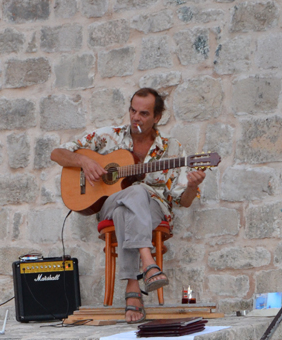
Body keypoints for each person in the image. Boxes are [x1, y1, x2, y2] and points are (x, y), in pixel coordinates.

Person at [50, 88, 205, 323]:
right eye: (133, 111)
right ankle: (148, 262)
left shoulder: (172, 149)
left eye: (143, 113)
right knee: (134, 193)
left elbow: (182, 201)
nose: (135, 117)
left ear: (157, 118)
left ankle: (132, 289)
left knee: (133, 198)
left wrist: (193, 186)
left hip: (154, 210)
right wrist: (83, 160)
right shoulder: (108, 137)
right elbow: (57, 153)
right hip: (107, 205)